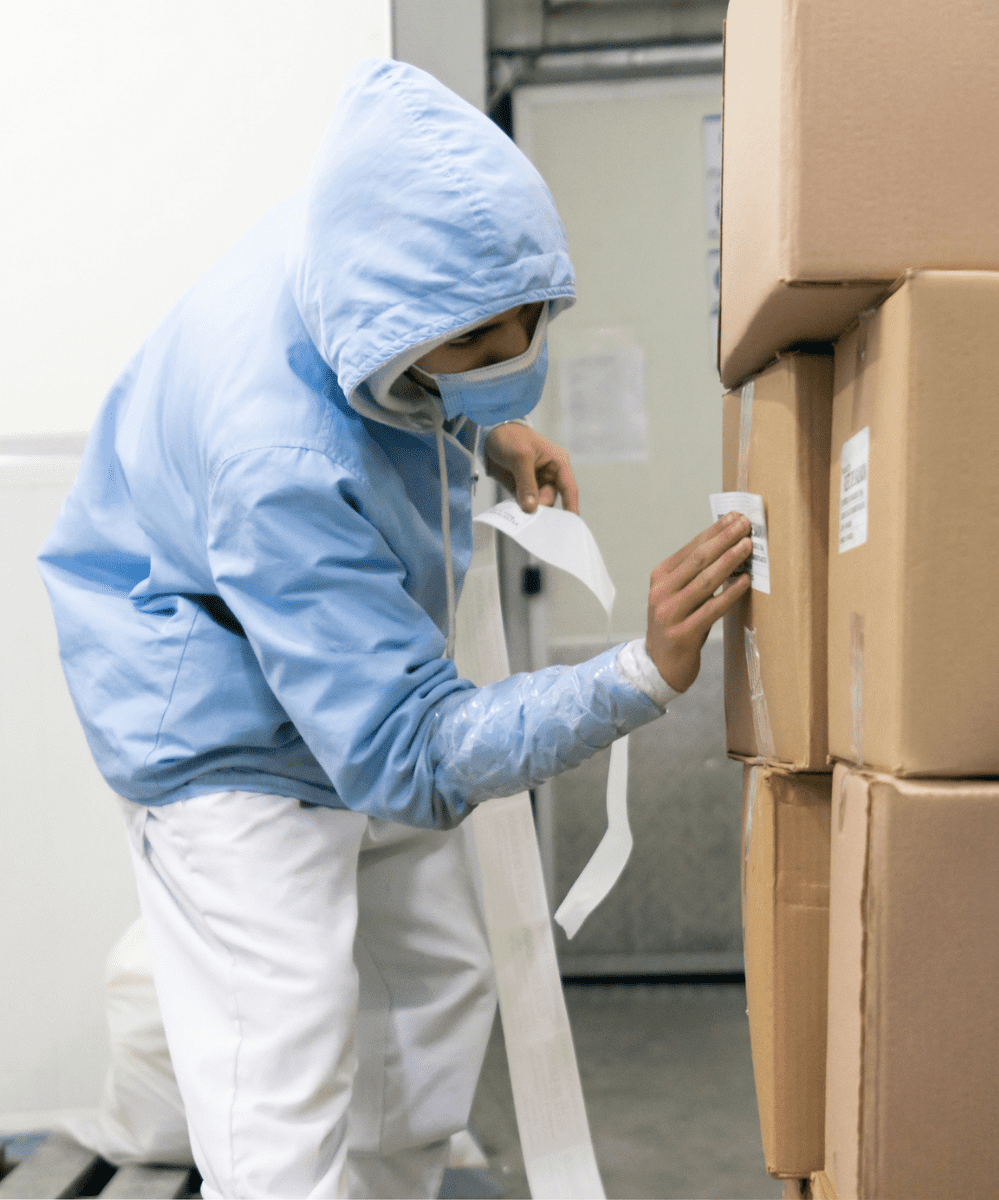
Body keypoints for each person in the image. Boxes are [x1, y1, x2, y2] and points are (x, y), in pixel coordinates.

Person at [38, 59, 751, 1199]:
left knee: (434, 983)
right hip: (213, 705)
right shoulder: (281, 455)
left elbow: (422, 338)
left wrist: (479, 424)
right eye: (480, 351)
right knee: (286, 1033)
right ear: (401, 331)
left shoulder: (365, 251)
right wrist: (636, 676)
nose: (514, 358)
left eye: (527, 326)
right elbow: (412, 749)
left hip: (325, 651)